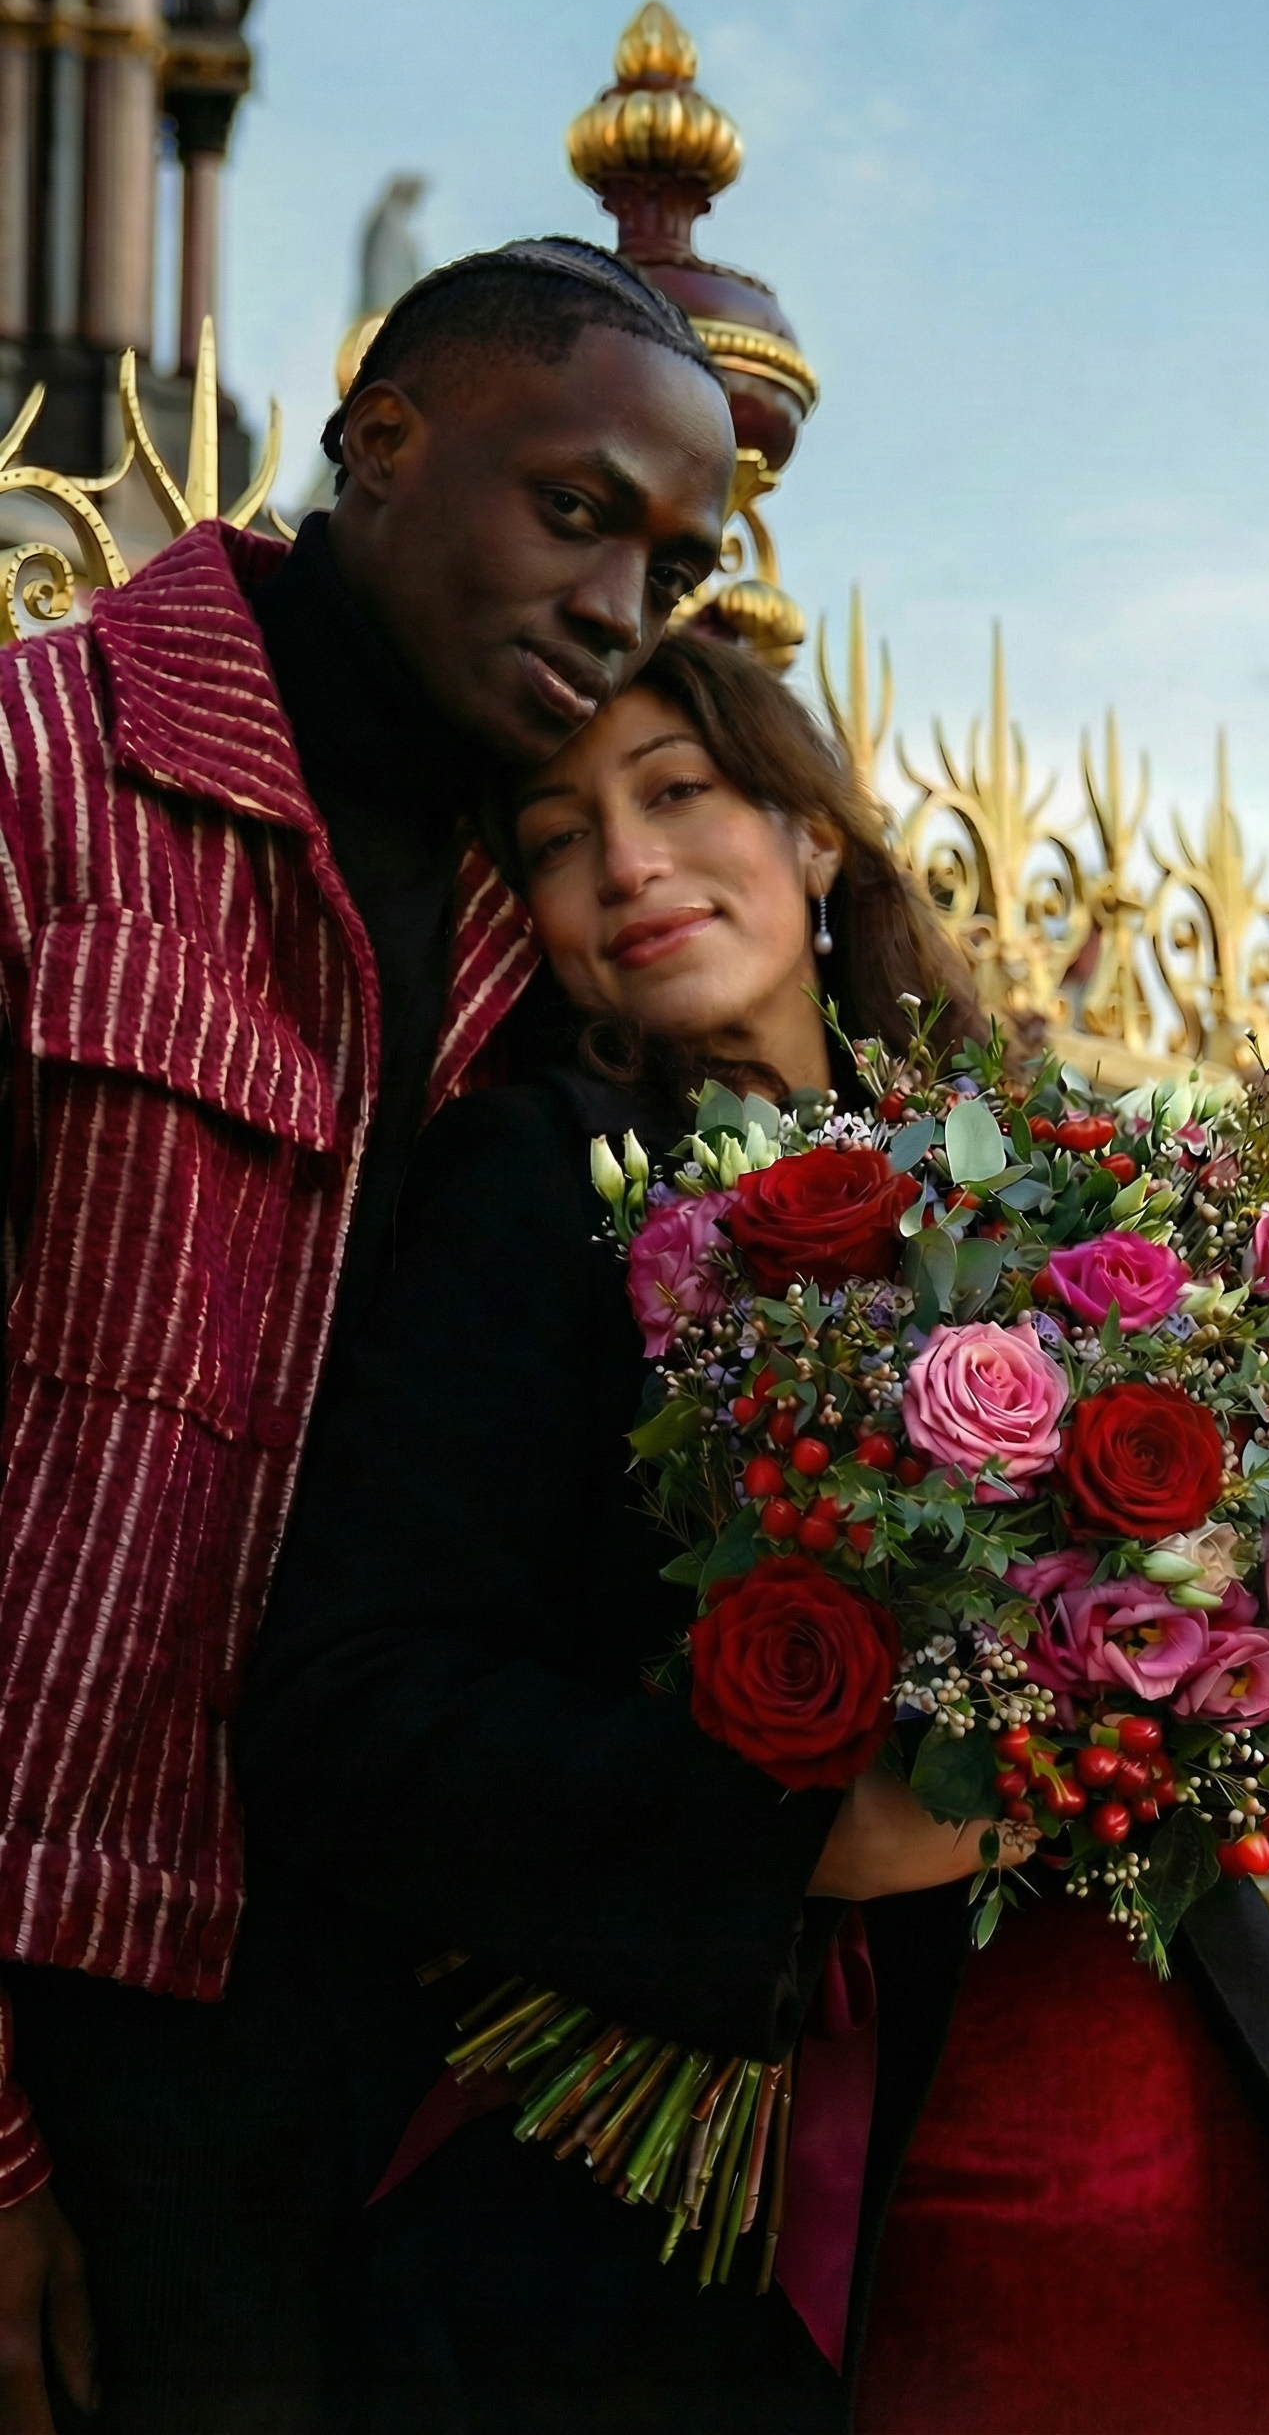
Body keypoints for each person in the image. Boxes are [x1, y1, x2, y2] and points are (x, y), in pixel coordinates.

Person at [238, 632, 1269, 2435]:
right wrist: (789, 1839)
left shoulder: (1051, 1160)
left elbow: (1229, 1528)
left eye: (676, 793)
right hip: (817, 2157)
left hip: (1156, 2074)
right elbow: (347, 1704)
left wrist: (1247, 1662)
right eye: (560, 836)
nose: (630, 863)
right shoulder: (535, 1196)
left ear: (813, 835)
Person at [0, 236, 736, 2433]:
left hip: (411, 2024)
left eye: (679, 560)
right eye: (581, 508)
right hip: (72, 2000)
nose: (623, 599)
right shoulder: (44, 783)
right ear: (381, 438)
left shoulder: (559, 921)